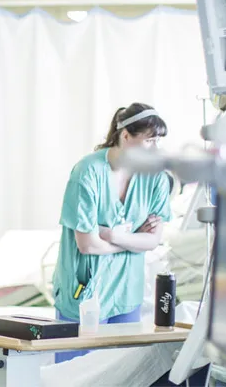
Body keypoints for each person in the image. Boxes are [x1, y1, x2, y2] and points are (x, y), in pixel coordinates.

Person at [52, 103, 172, 363]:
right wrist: (132, 240)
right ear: (125, 136)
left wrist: (111, 235)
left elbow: (153, 240)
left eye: (158, 140)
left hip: (126, 292)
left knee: (121, 374)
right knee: (73, 376)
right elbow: (86, 245)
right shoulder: (87, 172)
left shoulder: (156, 177)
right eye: (149, 140)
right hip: (84, 293)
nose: (156, 148)